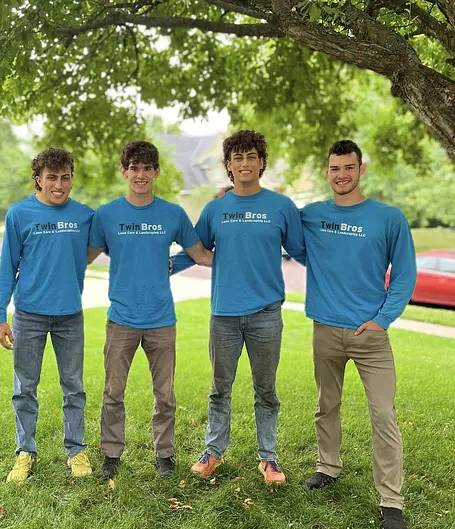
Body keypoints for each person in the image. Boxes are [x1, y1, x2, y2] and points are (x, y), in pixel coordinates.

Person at [171, 130, 306, 485]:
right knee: (220, 388)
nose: (245, 163)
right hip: (224, 316)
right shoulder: (215, 209)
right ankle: (213, 452)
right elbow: (196, 249)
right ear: (228, 165)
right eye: (237, 158)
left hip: (266, 315)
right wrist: (165, 265)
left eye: (251, 156)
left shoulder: (281, 206)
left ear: (261, 162)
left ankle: (268, 458)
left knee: (266, 390)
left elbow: (303, 251)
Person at [299, 140, 416, 529]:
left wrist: (383, 320)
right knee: (326, 404)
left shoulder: (388, 218)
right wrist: (232, 197)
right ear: (327, 171)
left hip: (370, 335)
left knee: (383, 414)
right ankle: (328, 466)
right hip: (325, 329)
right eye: (335, 168)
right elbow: (277, 226)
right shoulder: (312, 215)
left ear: (361, 169)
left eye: (348, 167)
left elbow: (404, 275)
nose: (341, 175)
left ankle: (391, 501)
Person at [87, 141, 212, 482]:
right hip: (121, 319)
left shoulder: (172, 213)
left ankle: (164, 454)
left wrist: (241, 252)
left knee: (165, 395)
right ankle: (111, 454)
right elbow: (82, 257)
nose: (140, 175)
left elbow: (200, 254)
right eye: (134, 168)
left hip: (161, 320)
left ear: (156, 172)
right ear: (124, 171)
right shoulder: (107, 215)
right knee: (113, 393)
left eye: (146, 168)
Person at [0, 148, 94, 483]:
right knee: (25, 388)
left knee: (74, 387)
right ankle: (25, 451)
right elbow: (7, 267)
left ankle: (76, 450)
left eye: (65, 177)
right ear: (38, 179)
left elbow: (119, 236)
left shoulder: (85, 216)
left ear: (71, 179)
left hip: (70, 316)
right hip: (28, 316)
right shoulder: (19, 214)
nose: (59, 184)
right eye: (52, 177)